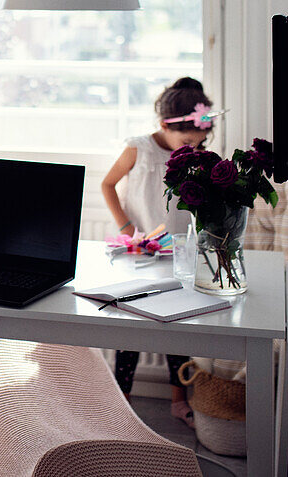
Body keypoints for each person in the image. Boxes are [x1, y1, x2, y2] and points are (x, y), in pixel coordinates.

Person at [100, 77, 217, 428]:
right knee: (132, 330)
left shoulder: (195, 155)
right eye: (185, 141)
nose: (191, 149)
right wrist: (124, 227)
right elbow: (107, 184)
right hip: (140, 254)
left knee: (176, 329)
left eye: (198, 143)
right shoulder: (140, 149)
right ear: (166, 125)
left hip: (177, 255)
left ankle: (178, 400)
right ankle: (123, 399)